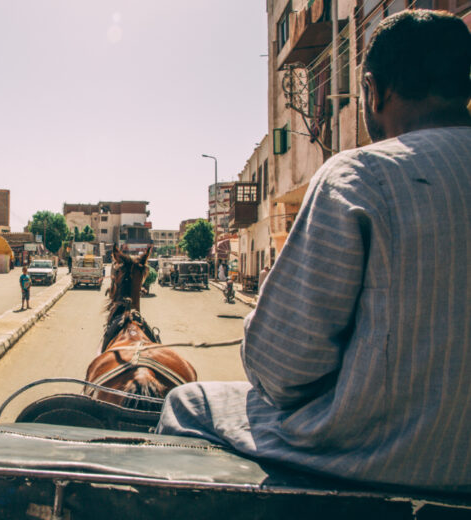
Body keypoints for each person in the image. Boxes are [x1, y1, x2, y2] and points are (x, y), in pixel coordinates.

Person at [158, 10, 471, 492]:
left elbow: (279, 371)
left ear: (373, 90)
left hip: (369, 461)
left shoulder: (360, 176)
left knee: (186, 403)